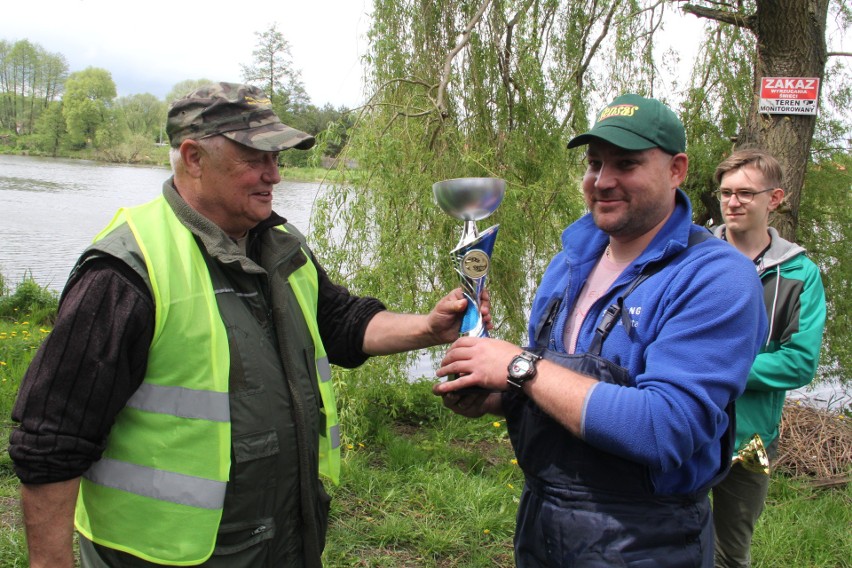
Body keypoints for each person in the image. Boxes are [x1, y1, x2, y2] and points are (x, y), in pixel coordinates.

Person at [9, 82, 489, 568]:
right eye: (255, 157)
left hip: (284, 539)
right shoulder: (127, 270)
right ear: (193, 157)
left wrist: (430, 327)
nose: (274, 175)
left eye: (277, 157)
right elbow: (52, 439)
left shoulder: (280, 243)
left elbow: (342, 323)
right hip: (164, 556)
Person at [432, 93, 768, 567]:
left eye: (626, 164)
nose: (603, 181)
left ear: (677, 170)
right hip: (542, 525)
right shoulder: (570, 260)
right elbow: (546, 388)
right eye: (594, 164)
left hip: (648, 541)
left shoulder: (717, 278)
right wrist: (489, 392)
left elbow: (665, 428)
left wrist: (516, 365)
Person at [710, 148, 826, 568]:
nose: (733, 202)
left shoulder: (800, 274)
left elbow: (799, 362)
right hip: (684, 420)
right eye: (726, 193)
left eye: (745, 193)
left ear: (774, 199)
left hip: (754, 438)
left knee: (732, 550)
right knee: (665, 533)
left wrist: (717, 369)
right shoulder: (694, 254)